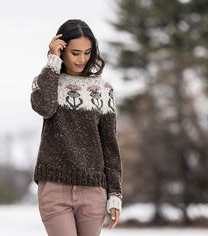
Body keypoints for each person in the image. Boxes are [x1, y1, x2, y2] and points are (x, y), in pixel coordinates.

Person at [30, 19, 123, 236]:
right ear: (62, 50)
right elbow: (44, 107)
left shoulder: (102, 90)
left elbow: (110, 144)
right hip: (54, 188)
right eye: (75, 53)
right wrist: (52, 61)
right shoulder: (46, 81)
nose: (82, 59)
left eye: (87, 52)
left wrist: (115, 194)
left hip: (93, 191)